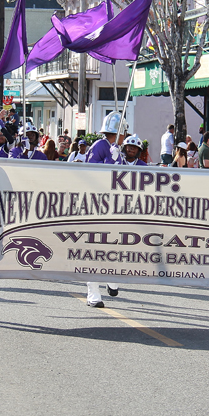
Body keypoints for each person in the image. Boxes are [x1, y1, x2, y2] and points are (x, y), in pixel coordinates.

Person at [84, 111, 127, 305]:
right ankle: (92, 291)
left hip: (116, 207)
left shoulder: (117, 148)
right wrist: (109, 161)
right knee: (95, 248)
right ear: (119, 131)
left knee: (115, 245)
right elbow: (89, 174)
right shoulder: (99, 147)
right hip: (97, 206)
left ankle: (111, 276)